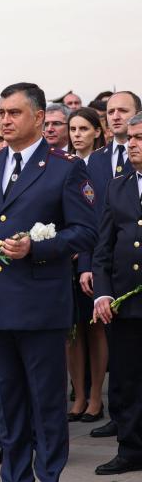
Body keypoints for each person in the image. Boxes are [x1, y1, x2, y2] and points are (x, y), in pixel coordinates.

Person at [0, 83, 97, 482]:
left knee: (46, 402)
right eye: (0, 113)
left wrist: (37, 248)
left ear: (38, 117)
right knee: (8, 401)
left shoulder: (64, 169)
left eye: (14, 113)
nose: (5, 120)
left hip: (39, 305)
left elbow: (85, 231)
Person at [82, 91, 141, 439]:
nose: (132, 144)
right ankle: (129, 448)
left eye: (140, 138)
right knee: (125, 377)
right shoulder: (118, 187)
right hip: (125, 299)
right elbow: (103, 246)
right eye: (130, 138)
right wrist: (103, 293)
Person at [67, 107, 108, 423]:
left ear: (97, 131)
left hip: (92, 257)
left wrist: (88, 261)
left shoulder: (103, 164)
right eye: (73, 129)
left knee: (94, 329)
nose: (77, 134)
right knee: (72, 331)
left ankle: (95, 398)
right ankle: (78, 395)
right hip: (64, 257)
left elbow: (100, 218)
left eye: (83, 128)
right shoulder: (65, 163)